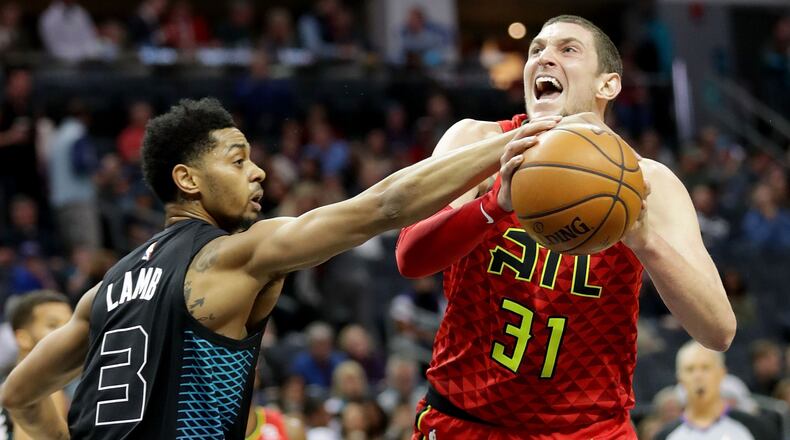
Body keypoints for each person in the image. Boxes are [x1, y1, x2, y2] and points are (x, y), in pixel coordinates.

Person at [0, 97, 560, 439]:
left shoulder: (103, 292)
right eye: (238, 159)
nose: (260, 172)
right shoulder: (233, 254)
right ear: (188, 180)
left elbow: (19, 395)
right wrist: (513, 142)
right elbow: (382, 207)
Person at [396, 15, 736, 439]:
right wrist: (495, 203)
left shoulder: (648, 183)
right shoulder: (474, 143)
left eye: (567, 50)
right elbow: (410, 259)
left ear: (607, 85)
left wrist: (645, 240)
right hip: (467, 420)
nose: (544, 58)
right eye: (537, 49)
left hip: (589, 429)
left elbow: (718, 330)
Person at [654, 341, 779, 440]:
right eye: (690, 369)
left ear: (722, 373)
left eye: (705, 368)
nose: (698, 376)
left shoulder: (756, 427)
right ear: (679, 379)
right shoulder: (665, 436)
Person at [3, 290, 73, 440]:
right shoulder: (45, 391)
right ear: (23, 338)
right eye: (53, 325)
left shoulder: (8, 383)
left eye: (70, 326)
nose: (67, 334)